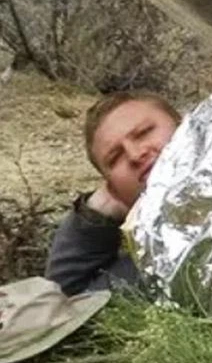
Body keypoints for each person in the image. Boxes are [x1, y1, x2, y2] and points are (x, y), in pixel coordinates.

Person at [45, 92, 181, 295]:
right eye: (115, 158)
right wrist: (96, 213)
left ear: (185, 125)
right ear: (113, 188)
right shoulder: (151, 268)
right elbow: (65, 302)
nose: (135, 154)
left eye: (144, 132)